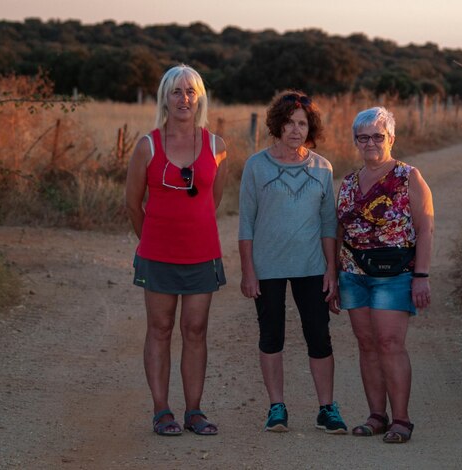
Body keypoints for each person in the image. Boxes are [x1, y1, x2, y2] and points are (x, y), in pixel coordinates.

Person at [125, 64, 228, 436]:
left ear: (199, 97)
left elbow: (211, 201)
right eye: (176, 92)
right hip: (158, 255)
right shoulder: (147, 144)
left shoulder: (216, 146)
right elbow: (133, 204)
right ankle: (161, 411)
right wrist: (152, 240)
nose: (184, 99)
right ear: (164, 98)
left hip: (202, 253)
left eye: (190, 91)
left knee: (196, 329)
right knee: (160, 328)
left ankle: (195, 411)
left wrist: (189, 232)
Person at [238, 90, 347, 434]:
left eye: (301, 123)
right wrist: (248, 271)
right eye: (288, 122)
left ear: (309, 127)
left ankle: (327, 408)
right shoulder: (256, 166)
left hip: (312, 267)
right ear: (277, 125)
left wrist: (332, 270)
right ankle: (276, 407)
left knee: (319, 336)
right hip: (267, 267)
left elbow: (329, 225)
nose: (295, 129)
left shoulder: (322, 168)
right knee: (271, 336)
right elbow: (245, 223)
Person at [336, 107, 434, 443]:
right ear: (355, 142)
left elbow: (426, 228)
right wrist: (333, 273)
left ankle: (402, 420)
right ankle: (376, 415)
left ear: (391, 138)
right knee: (366, 345)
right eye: (363, 137)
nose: (370, 143)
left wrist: (421, 275)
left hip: (395, 275)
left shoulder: (409, 177)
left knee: (390, 344)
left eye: (378, 136)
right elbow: (338, 230)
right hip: (353, 273)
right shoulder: (348, 182)